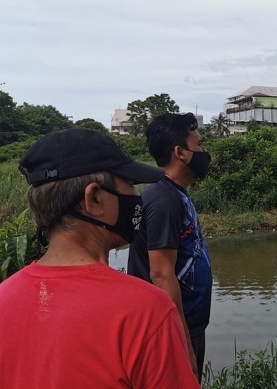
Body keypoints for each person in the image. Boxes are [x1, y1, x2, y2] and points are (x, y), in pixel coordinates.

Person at [0, 128, 200, 388]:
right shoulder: (146, 311)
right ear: (94, 199)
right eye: (129, 184)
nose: (136, 197)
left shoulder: (4, 297)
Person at [127, 112, 213, 382]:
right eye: (198, 145)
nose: (203, 151)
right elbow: (161, 274)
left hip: (187, 326)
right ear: (181, 152)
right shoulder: (164, 199)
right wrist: (183, 343)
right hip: (173, 331)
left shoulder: (174, 193)